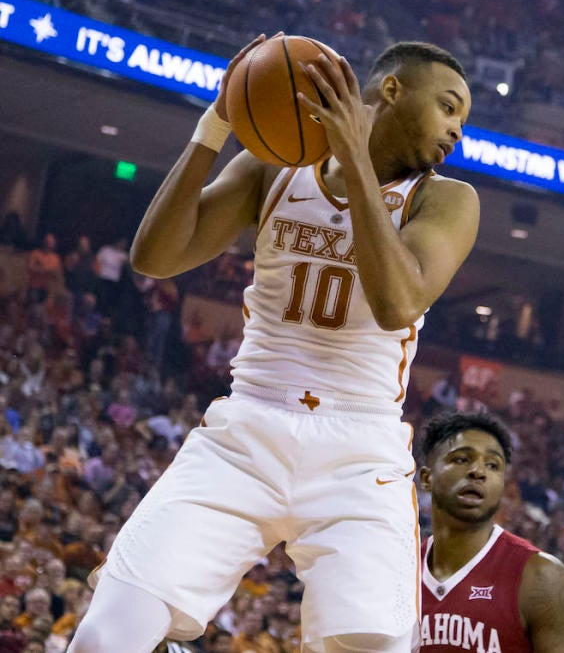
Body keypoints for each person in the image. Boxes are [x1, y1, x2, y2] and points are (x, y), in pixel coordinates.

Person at [70, 35, 479, 653]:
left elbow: (399, 301)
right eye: (449, 107)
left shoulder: (445, 199)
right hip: (247, 429)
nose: (456, 131)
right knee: (106, 636)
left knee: (378, 648)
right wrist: (215, 123)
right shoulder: (272, 167)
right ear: (392, 90)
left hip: (359, 448)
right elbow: (155, 257)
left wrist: (354, 157)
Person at [418, 413, 564, 652]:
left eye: (492, 465)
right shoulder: (398, 571)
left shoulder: (541, 577)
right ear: (427, 478)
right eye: (461, 459)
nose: (478, 472)